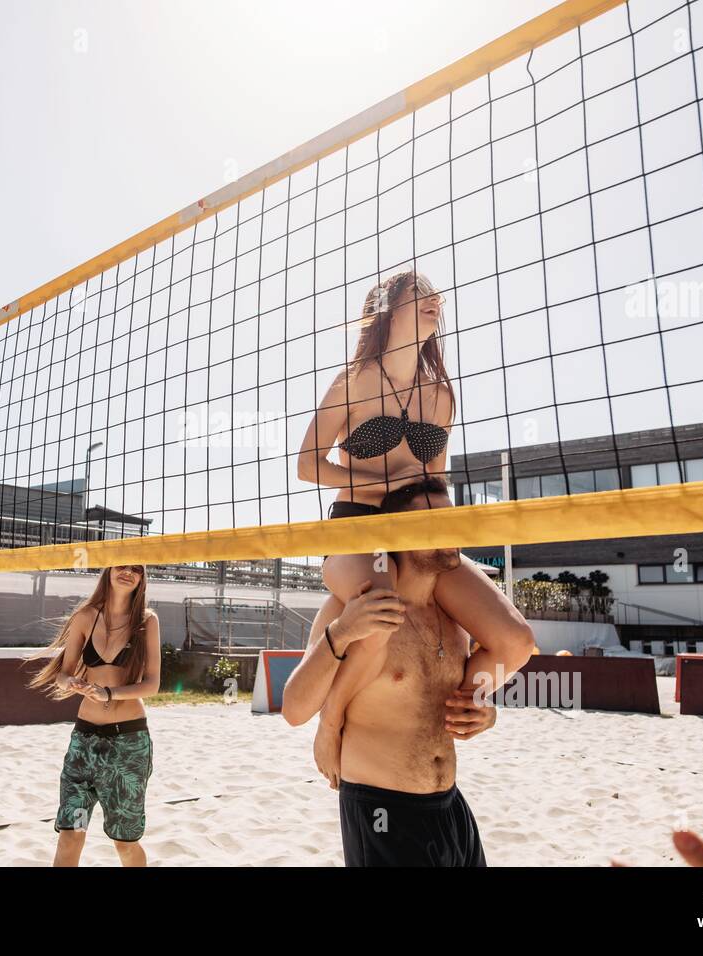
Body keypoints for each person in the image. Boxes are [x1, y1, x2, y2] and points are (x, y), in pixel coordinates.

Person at [295, 270, 534, 784]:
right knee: (383, 607)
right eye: (419, 295)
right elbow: (309, 464)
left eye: (437, 297)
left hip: (419, 533)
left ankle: (464, 708)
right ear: (387, 310)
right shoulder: (354, 381)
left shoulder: (441, 396)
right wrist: (381, 476)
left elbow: (437, 478)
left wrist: (446, 539)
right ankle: (331, 719)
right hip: (359, 528)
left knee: (515, 640)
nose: (434, 303)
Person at [281, 477, 534, 866]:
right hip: (384, 813)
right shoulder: (350, 609)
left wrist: (485, 711)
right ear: (397, 532)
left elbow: (465, 688)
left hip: (449, 805)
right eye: (431, 520)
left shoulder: (455, 621)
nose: (449, 529)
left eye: (450, 517)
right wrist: (343, 631)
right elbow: (294, 709)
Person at [30, 564, 161, 867]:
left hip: (127, 745)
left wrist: (110, 693)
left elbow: (152, 684)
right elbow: (63, 674)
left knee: (124, 842)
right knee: (71, 833)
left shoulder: (146, 621)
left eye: (136, 569)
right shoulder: (85, 617)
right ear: (108, 570)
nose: (127, 573)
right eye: (121, 566)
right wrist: (71, 682)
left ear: (142, 578)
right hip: (84, 745)